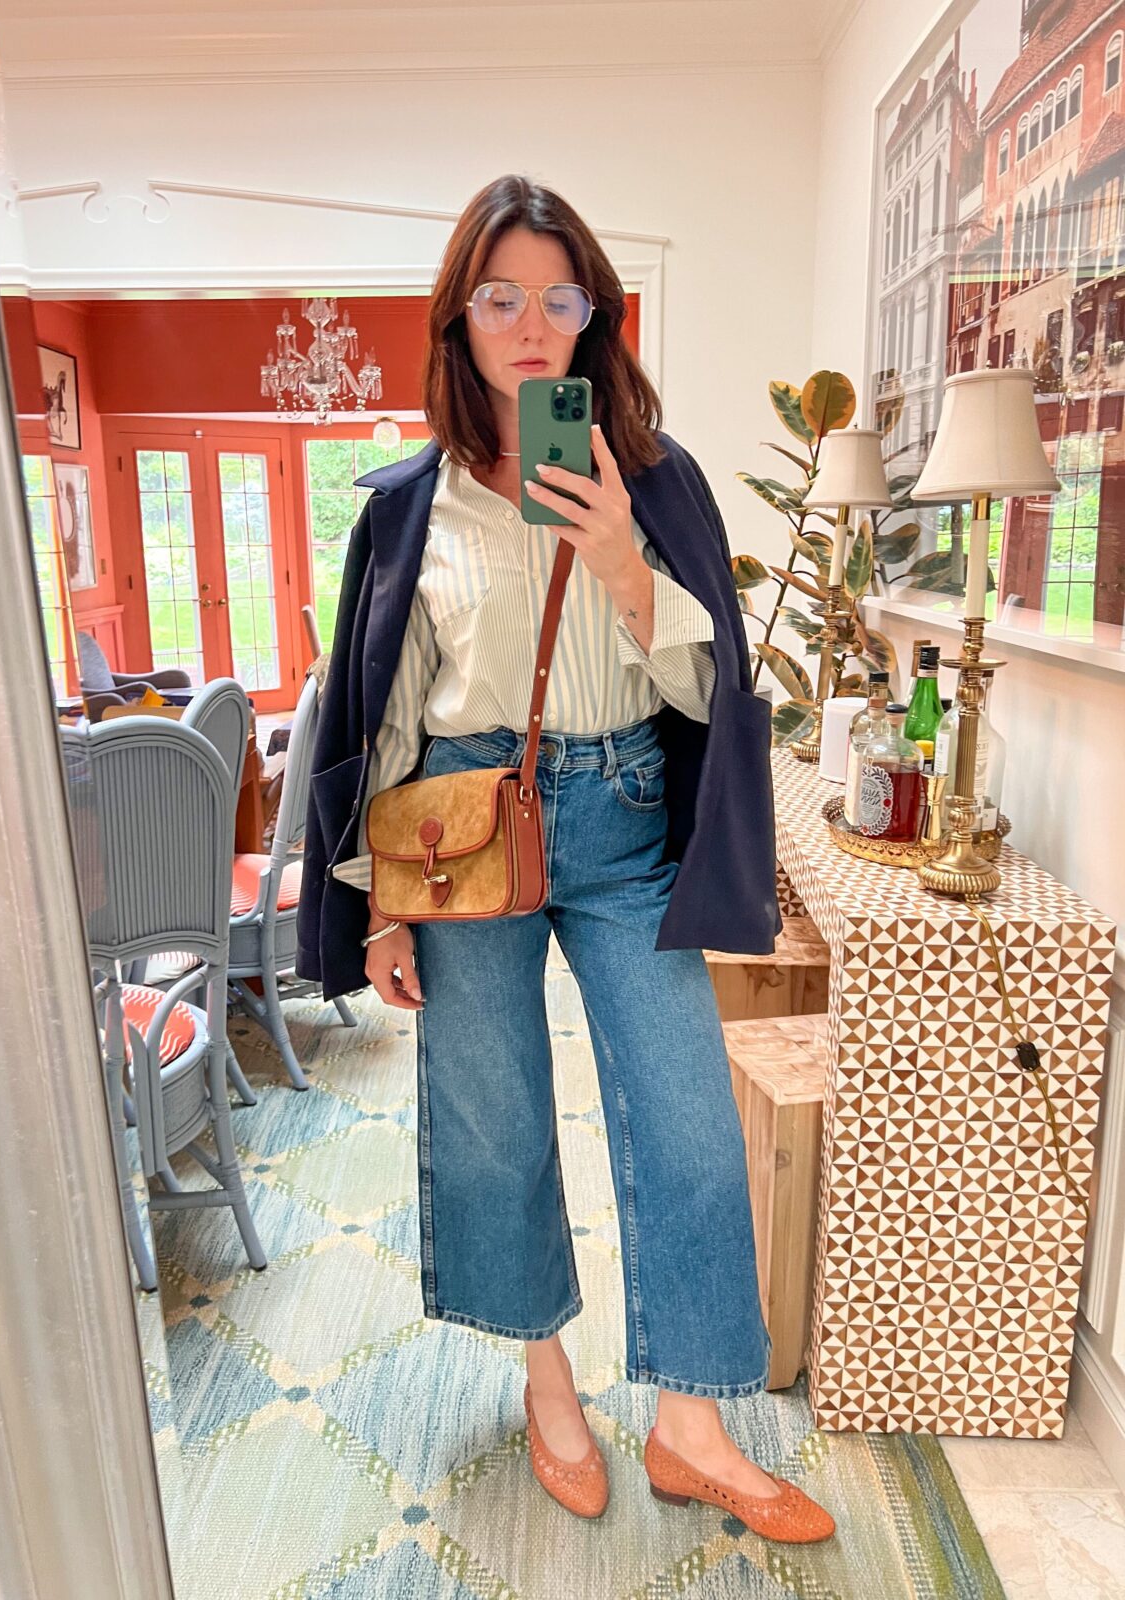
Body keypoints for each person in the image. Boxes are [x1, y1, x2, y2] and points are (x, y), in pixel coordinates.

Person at [298, 174, 834, 1543]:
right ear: (459, 320)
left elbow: (719, 695)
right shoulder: (411, 507)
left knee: (691, 1132)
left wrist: (622, 567)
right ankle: (549, 1385)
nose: (532, 328)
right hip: (461, 824)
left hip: (629, 814)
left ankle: (691, 1430)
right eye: (500, 299)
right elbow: (386, 707)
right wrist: (379, 914)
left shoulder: (653, 481)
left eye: (559, 298)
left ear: (595, 313)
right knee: (496, 1124)